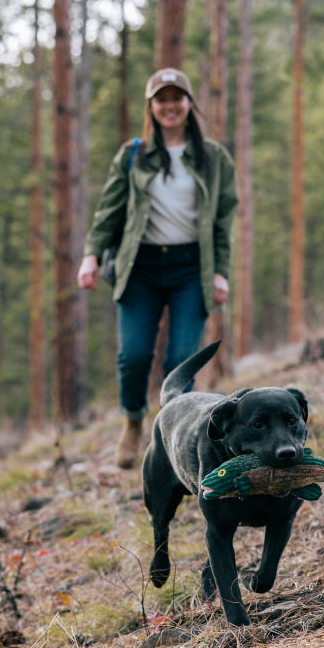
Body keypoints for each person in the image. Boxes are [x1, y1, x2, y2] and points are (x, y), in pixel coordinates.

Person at [77, 67, 238, 469]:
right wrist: (91, 254)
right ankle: (133, 421)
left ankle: (170, 442)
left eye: (176, 98)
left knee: (181, 361)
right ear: (151, 106)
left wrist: (220, 272)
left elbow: (222, 220)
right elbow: (109, 210)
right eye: (161, 99)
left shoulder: (214, 157)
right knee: (133, 357)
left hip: (190, 270)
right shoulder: (133, 154)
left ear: (189, 104)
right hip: (141, 269)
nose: (170, 106)